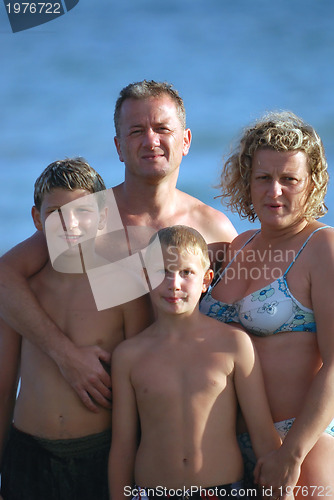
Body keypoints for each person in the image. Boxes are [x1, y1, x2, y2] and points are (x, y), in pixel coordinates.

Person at [0, 80, 237, 412]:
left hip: (179, 419)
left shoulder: (214, 230)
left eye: (162, 128)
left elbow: (236, 325)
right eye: (136, 130)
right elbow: (5, 277)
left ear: (185, 141)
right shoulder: (86, 219)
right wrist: (65, 355)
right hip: (104, 416)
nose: (150, 140)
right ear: (118, 146)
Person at [200, 111, 334, 499]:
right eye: (263, 177)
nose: (275, 191)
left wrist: (291, 455)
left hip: (299, 443)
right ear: (247, 181)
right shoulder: (241, 246)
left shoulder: (322, 248)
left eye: (289, 179)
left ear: (311, 184)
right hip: (228, 450)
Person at [0, 158, 152, 500]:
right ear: (37, 219)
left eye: (82, 211)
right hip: (27, 453)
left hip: (99, 454)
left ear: (101, 217)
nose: (69, 222)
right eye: (55, 212)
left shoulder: (125, 292)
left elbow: (143, 394)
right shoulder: (24, 296)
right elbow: (3, 388)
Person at [108, 225, 282, 500]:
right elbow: (123, 446)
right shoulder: (128, 356)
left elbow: (262, 433)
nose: (173, 283)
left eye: (186, 272)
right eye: (161, 272)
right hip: (152, 493)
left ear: (206, 280)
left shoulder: (233, 344)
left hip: (223, 490)